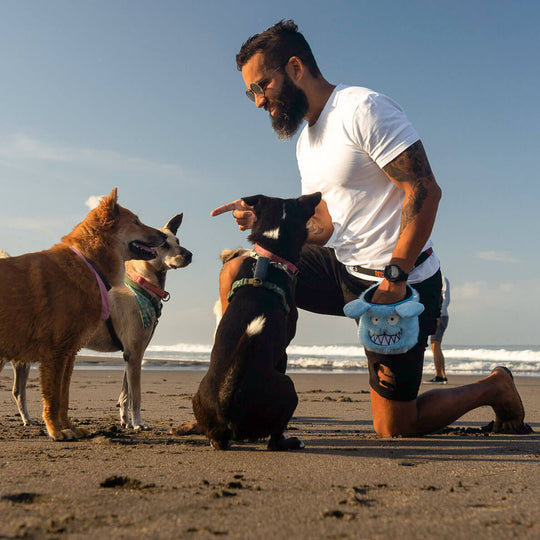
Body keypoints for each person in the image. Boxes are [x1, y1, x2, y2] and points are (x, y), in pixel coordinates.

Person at [211, 20, 525, 437]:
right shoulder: (306, 141)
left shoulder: (362, 108)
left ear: (295, 68)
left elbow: (425, 190)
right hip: (340, 267)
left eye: (262, 85)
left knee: (395, 426)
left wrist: (395, 276)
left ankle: (495, 386)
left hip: (399, 283)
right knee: (240, 271)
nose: (257, 101)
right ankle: (235, 394)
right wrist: (263, 224)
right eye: (251, 91)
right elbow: (322, 224)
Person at [425, 275, 450, 384]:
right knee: (435, 345)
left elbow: (446, 298)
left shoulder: (442, 279)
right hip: (436, 315)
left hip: (440, 316)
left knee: (435, 345)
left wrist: (439, 314)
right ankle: (441, 375)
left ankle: (439, 376)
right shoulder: (430, 279)